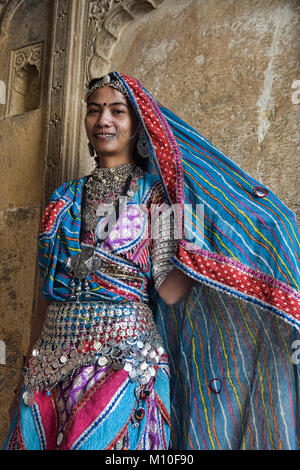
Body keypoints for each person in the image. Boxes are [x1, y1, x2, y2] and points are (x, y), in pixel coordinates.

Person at [4, 72, 300, 450]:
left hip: (124, 364)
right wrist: (26, 371)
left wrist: (201, 249)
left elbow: (169, 290)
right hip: (48, 368)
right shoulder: (61, 201)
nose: (104, 120)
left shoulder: (157, 197)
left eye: (117, 111)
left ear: (136, 124)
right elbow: (47, 293)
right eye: (94, 111)